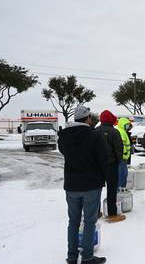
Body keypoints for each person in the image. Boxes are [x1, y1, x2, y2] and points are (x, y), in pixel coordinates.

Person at [58, 106, 107, 264]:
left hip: (71, 185)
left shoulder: (64, 137)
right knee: (89, 221)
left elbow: (65, 153)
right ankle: (87, 257)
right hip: (91, 185)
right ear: (87, 119)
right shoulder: (94, 135)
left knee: (73, 221)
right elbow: (103, 159)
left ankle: (72, 257)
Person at [95, 110, 126, 223]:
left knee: (96, 189)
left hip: (97, 166)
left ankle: (96, 212)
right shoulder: (114, 132)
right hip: (111, 165)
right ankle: (112, 214)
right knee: (111, 189)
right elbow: (119, 149)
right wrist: (117, 161)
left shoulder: (95, 131)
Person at [116, 117, 132, 189]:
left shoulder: (123, 132)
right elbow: (121, 146)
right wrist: (125, 154)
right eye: (126, 126)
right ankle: (121, 189)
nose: (128, 127)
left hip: (124, 157)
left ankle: (121, 188)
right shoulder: (121, 132)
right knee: (122, 174)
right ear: (122, 124)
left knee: (123, 173)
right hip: (122, 157)